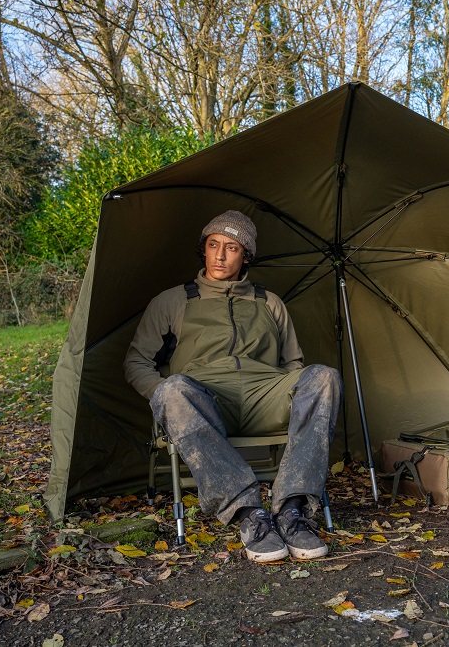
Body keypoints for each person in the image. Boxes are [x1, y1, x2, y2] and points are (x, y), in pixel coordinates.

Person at [124, 210, 342, 562]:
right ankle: (249, 513)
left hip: (264, 397)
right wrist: (166, 399)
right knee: (173, 389)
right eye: (212, 245)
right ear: (204, 249)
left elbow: (294, 366)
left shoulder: (269, 302)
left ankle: (291, 510)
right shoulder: (173, 301)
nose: (220, 256)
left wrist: (291, 393)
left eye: (231, 247)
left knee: (324, 377)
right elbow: (136, 363)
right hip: (206, 402)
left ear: (246, 255)